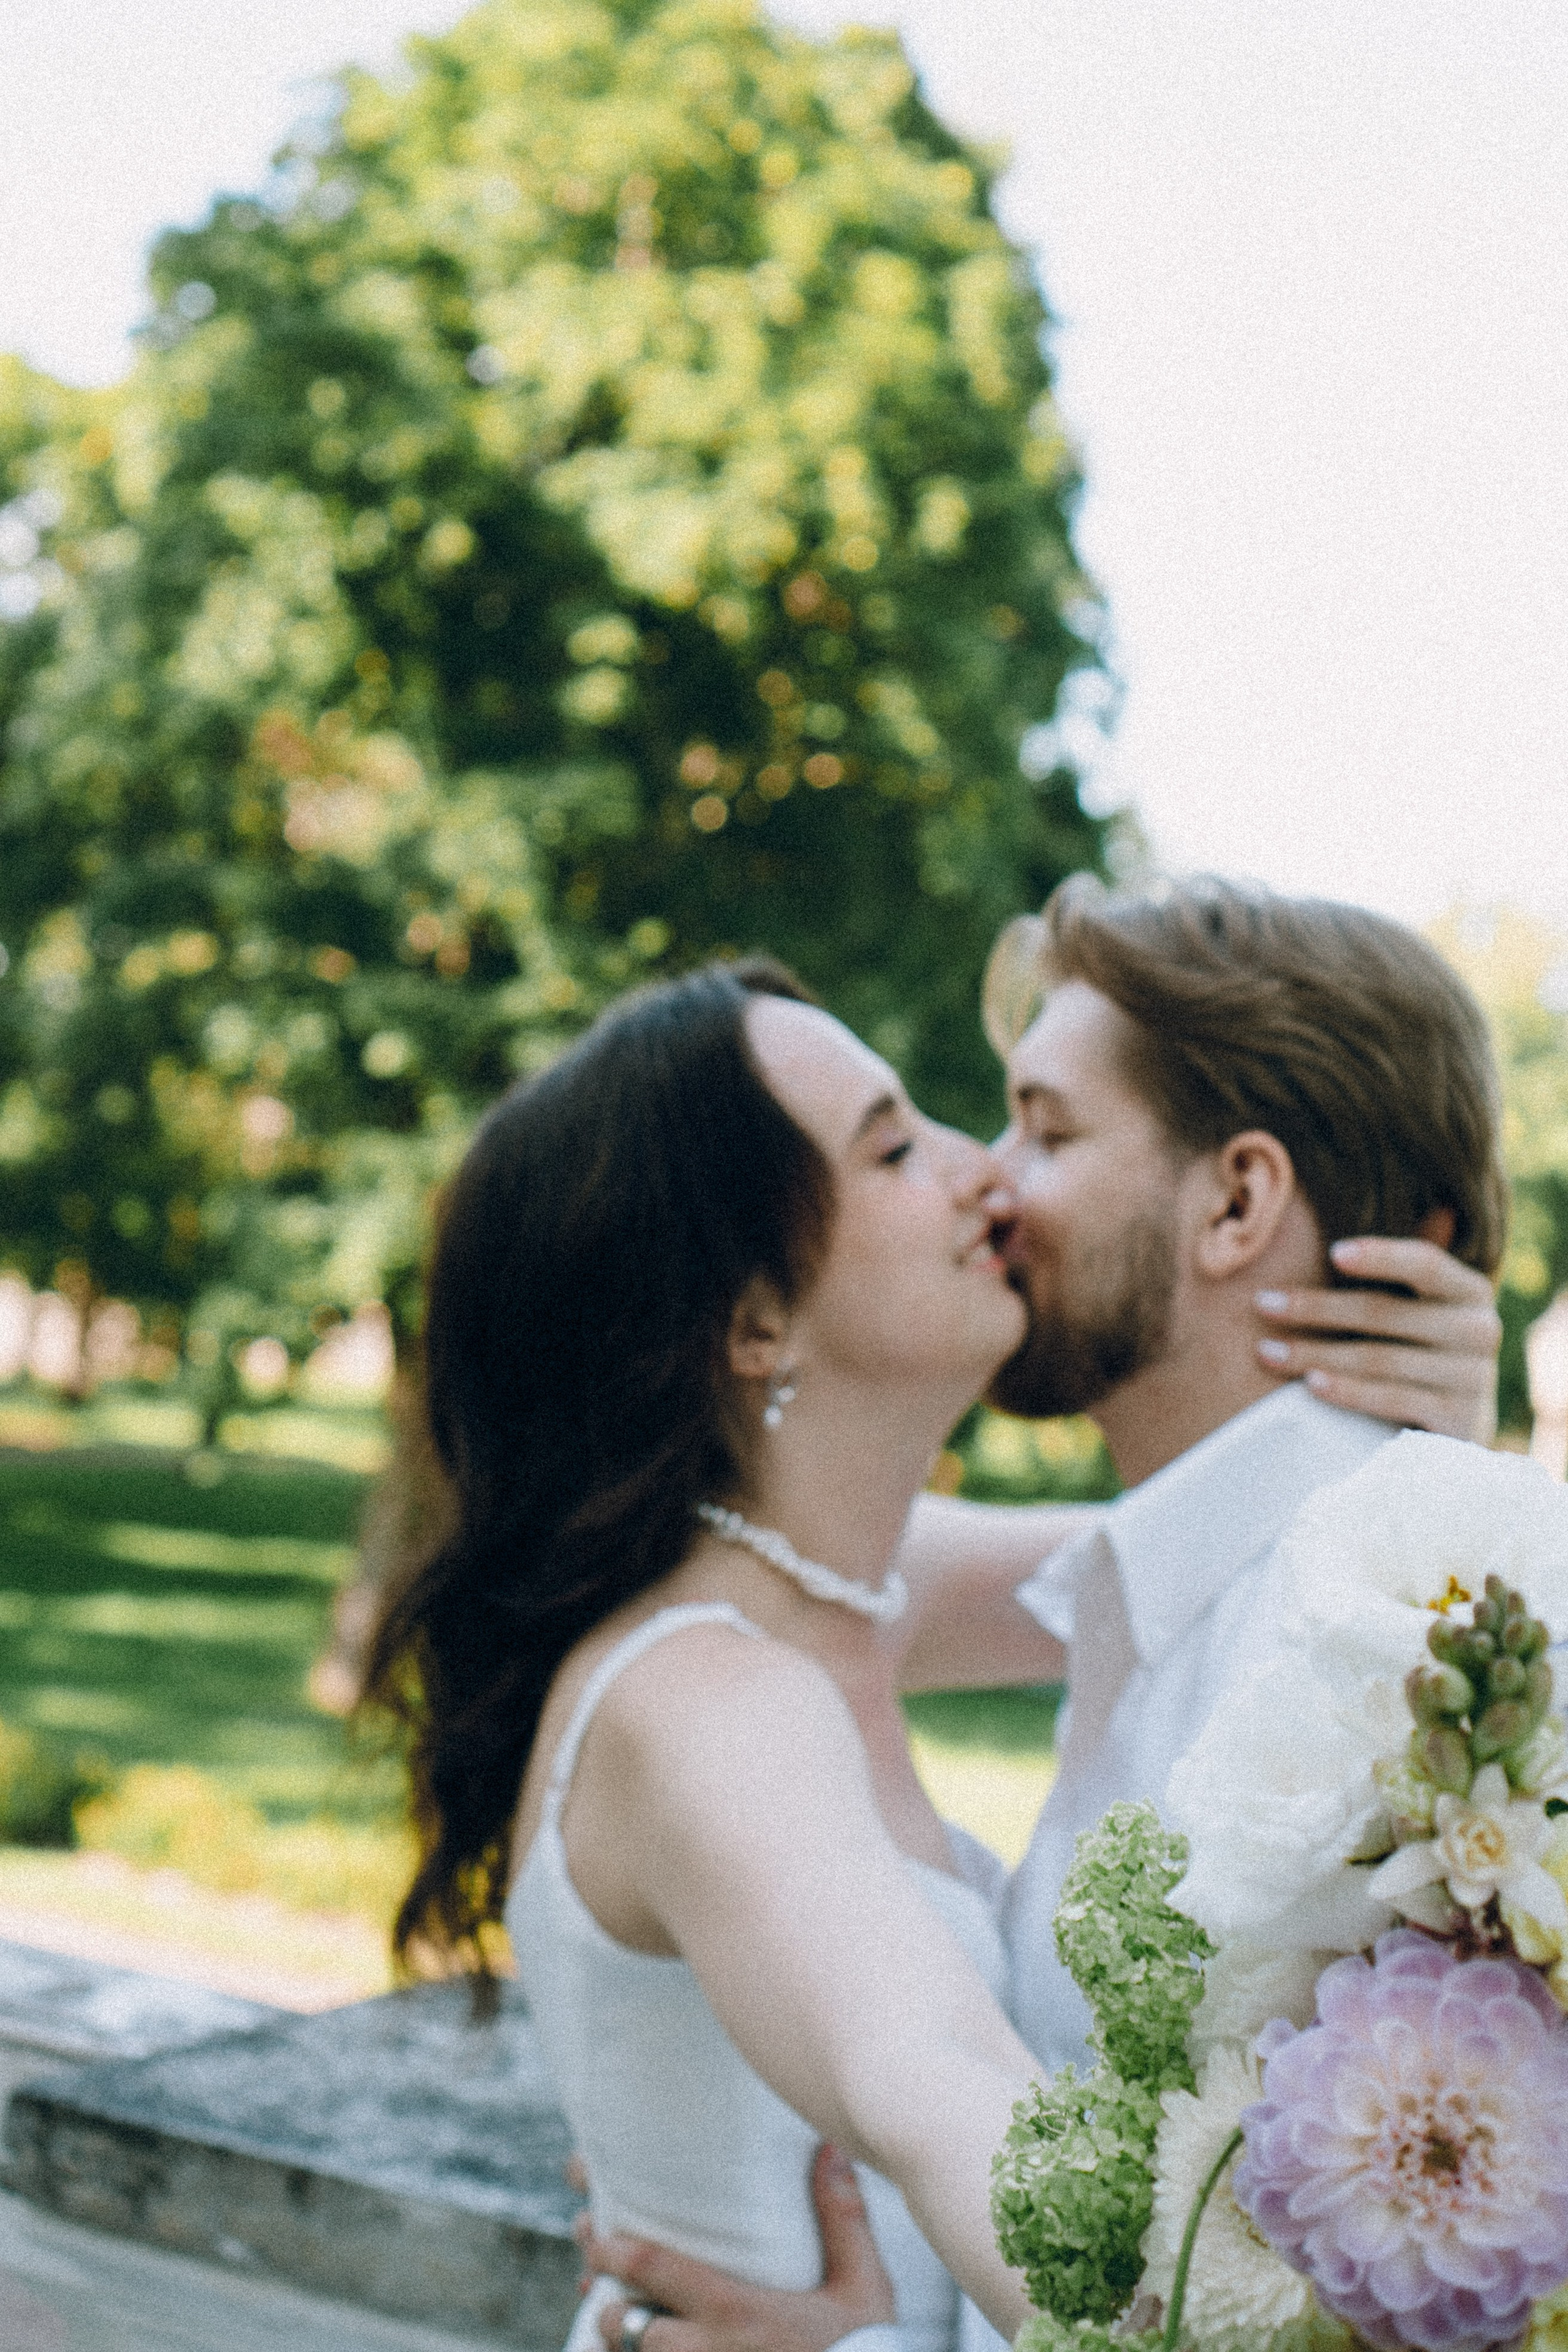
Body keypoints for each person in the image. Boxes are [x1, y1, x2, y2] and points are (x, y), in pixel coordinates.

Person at [578, 876, 1506, 2352]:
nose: (988, 1182)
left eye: (1046, 1129)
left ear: (1238, 1203)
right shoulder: (1162, 1583)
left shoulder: (1404, 1668)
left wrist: (1462, 1516)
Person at [363, 956, 1050, 2352]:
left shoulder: (853, 1589)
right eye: (897, 1148)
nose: (984, 1171)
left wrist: (1438, 1404)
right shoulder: (704, 1701)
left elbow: (1228, 1557)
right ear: (754, 1320)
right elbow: (921, 2066)